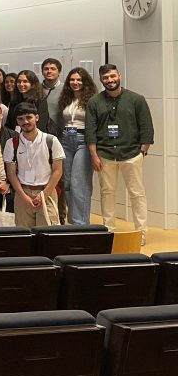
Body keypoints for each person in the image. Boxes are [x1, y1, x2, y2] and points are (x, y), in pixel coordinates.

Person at [86, 64, 154, 244]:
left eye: (112, 76)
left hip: (132, 154)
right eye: (105, 78)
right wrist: (94, 155)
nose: (110, 80)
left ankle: (141, 232)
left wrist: (142, 152)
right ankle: (109, 231)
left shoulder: (136, 99)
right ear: (101, 80)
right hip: (105, 155)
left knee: (137, 194)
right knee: (107, 193)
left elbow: (147, 127)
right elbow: (90, 131)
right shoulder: (94, 102)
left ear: (119, 76)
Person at [4, 102, 65, 228]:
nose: (25, 121)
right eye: (20, 119)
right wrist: (23, 196)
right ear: (17, 121)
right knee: (24, 234)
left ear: (36, 118)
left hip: (46, 190)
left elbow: (58, 171)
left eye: (29, 117)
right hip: (22, 192)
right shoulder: (11, 143)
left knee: (48, 234)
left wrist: (44, 194)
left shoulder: (51, 140)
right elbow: (11, 173)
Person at [57, 66, 96, 225]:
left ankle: (81, 224)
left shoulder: (92, 100)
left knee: (79, 183)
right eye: (72, 79)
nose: (75, 82)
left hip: (83, 140)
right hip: (66, 140)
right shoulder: (66, 98)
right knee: (67, 184)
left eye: (79, 79)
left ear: (85, 81)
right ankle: (72, 222)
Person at [8, 69, 52, 136]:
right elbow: (10, 122)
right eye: (19, 82)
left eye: (25, 81)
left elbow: (42, 123)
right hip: (16, 138)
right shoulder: (14, 101)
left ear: (33, 84)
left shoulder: (40, 100)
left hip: (36, 138)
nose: (21, 84)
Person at [41, 58, 64, 129]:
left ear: (59, 72)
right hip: (40, 132)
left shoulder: (66, 89)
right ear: (42, 72)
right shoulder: (36, 89)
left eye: (53, 69)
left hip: (60, 131)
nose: (49, 71)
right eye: (46, 69)